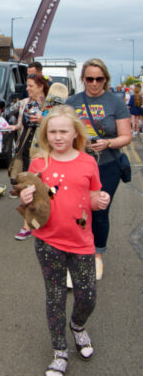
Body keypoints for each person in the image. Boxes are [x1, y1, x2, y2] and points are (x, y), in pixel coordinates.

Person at [19, 105, 110, 376]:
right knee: (55, 296)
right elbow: (30, 203)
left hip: (82, 242)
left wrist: (101, 200)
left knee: (87, 296)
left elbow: (91, 199)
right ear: (46, 134)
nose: (58, 137)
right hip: (48, 241)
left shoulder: (88, 162)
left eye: (64, 131)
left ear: (75, 134)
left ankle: (78, 325)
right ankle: (59, 351)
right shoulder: (39, 163)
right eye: (53, 131)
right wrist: (24, 199)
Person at [66, 58, 131, 279]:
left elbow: (126, 136)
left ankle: (97, 255)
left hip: (107, 165)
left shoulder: (116, 102)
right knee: (78, 210)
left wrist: (108, 143)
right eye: (89, 79)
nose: (94, 83)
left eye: (99, 79)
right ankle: (79, 251)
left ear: (106, 79)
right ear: (83, 79)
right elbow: (61, 130)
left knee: (100, 210)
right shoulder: (72, 101)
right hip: (77, 165)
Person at [12, 73, 49, 240]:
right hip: (27, 150)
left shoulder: (50, 105)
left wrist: (44, 119)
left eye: (31, 86)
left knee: (46, 189)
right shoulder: (28, 104)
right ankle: (28, 225)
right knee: (27, 188)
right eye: (27, 86)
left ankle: (43, 220)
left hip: (43, 153)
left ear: (41, 86)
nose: (27, 89)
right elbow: (23, 126)